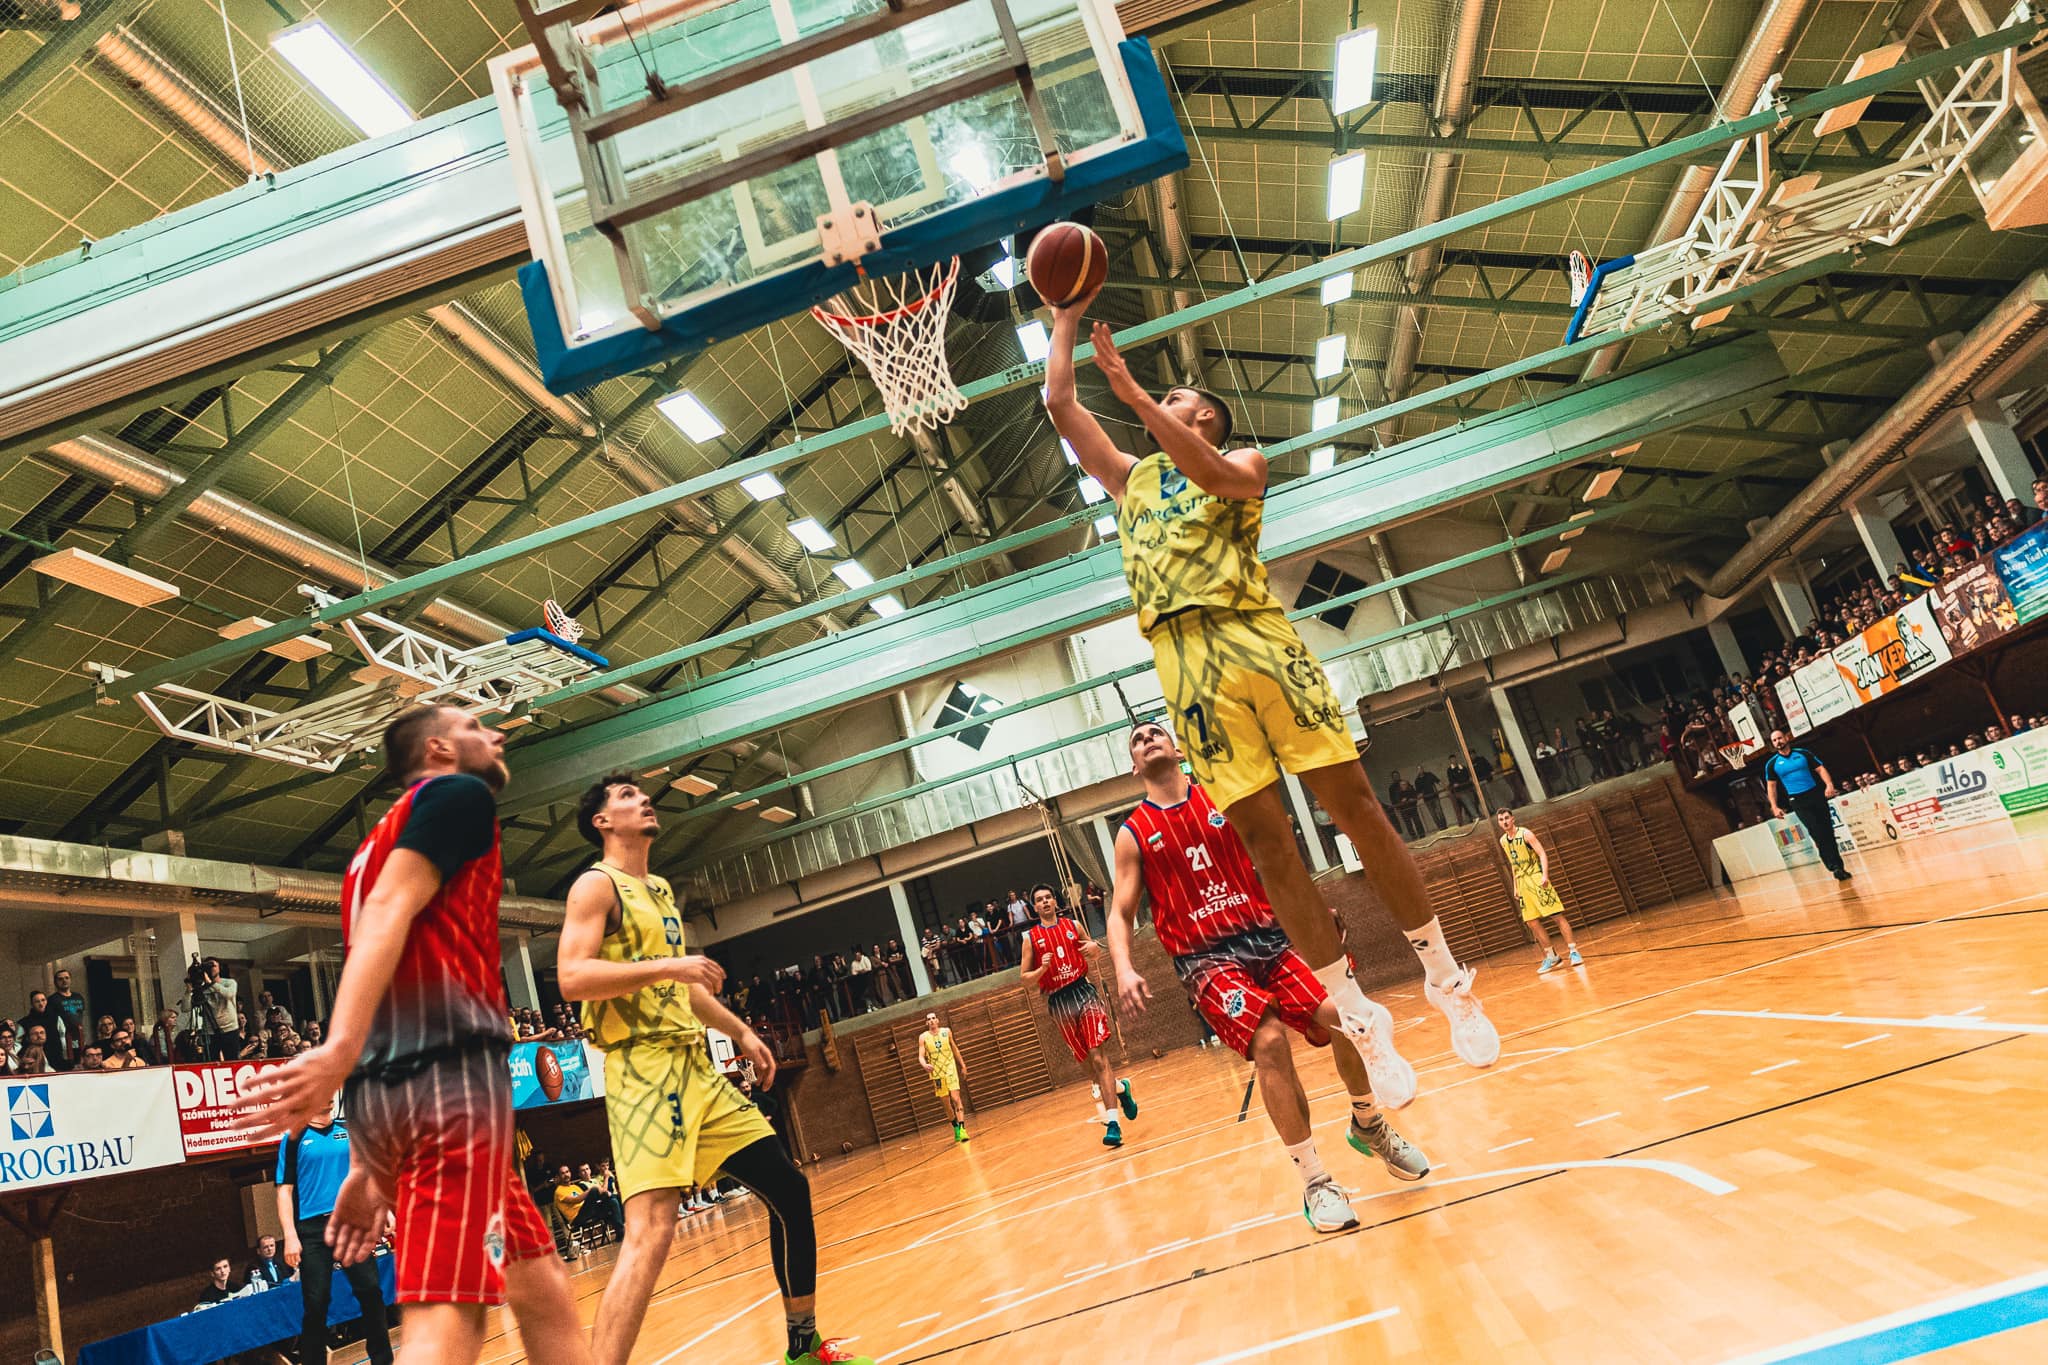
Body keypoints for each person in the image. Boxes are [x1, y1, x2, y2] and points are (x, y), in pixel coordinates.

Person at [1045, 293, 1499, 1078]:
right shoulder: (1131, 481)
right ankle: (1355, 1011)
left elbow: (1210, 470)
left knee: (1356, 809)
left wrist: (1137, 397)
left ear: (1206, 417)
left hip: (1257, 639)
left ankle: (1444, 975)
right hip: (1186, 664)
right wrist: (1062, 314)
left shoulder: (1244, 464)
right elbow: (1059, 403)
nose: (1166, 403)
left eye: (1179, 398)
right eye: (1164, 399)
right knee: (1269, 847)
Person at [233, 705, 594, 1365]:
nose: (495, 733)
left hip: (399, 1092)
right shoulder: (458, 795)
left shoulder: (371, 849)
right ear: (438, 749)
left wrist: (369, 1164)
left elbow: (384, 952)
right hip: (447, 1083)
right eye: (475, 725)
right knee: (447, 1321)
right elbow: (390, 909)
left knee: (540, 1284)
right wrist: (339, 1048)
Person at [562, 773, 872, 1365]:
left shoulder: (657, 889)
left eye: (640, 792)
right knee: (651, 1231)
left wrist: (742, 1032)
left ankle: (802, 1346)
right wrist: (669, 967)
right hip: (643, 1070)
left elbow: (685, 987)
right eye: (625, 796)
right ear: (601, 822)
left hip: (695, 1068)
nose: (642, 798)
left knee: (789, 1188)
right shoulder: (595, 887)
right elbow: (573, 977)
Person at [1107, 721, 1430, 1231]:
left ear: (1179, 748)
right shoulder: (1133, 833)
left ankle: (1368, 1122)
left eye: (1154, 732)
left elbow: (1274, 860)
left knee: (1348, 1017)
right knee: (1271, 1042)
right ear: (1133, 766)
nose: (1146, 740)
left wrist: (1311, 911)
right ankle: (1316, 1181)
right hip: (1207, 958)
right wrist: (1124, 967)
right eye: (1136, 740)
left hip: (1269, 937)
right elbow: (1120, 911)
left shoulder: (1222, 797)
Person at [1019, 883, 1136, 1147]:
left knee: (1099, 1058)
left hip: (1083, 992)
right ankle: (1121, 1088)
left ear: (1055, 901)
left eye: (1048, 897)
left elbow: (1094, 951)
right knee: (1088, 1067)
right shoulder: (1030, 939)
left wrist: (1094, 948)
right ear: (1034, 907)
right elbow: (1025, 980)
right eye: (1039, 899)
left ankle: (1113, 1124)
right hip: (1058, 1001)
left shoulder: (1073, 926)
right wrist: (1041, 970)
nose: (1045, 902)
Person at [277, 1106, 394, 1365]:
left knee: (371, 1291)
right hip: (312, 1231)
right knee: (316, 1302)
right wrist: (290, 1235)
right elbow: (284, 1191)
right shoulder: (293, 1138)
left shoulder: (349, 1129)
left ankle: (383, 1360)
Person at [1496, 810, 1582, 973]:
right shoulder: (1503, 841)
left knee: (1556, 916)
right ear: (1499, 823)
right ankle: (1552, 956)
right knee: (1531, 922)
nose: (1504, 821)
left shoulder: (1526, 834)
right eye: (1501, 819)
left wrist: (1545, 875)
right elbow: (1513, 864)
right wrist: (1515, 886)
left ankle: (1574, 951)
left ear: (1512, 819)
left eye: (1507, 818)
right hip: (1523, 883)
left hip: (1536, 878)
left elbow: (1542, 853)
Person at [1763, 730, 1850, 882]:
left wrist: (1829, 785)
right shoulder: (1772, 764)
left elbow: (1820, 768)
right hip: (1797, 800)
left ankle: (1839, 867)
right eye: (1774, 740)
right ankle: (1834, 867)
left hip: (1815, 794)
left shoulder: (1803, 753)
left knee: (1827, 831)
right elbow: (1771, 786)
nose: (1778, 742)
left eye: (1779, 738)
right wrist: (1774, 807)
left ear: (1786, 738)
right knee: (1817, 832)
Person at [917, 1010, 969, 1142]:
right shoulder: (923, 1037)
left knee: (955, 1098)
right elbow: (920, 1056)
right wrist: (924, 1065)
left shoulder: (946, 1032)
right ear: (926, 1023)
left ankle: (962, 1129)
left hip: (950, 1069)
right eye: (929, 1019)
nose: (931, 1021)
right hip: (937, 1074)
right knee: (946, 1104)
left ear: (937, 1020)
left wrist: (962, 1065)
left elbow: (955, 1048)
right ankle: (955, 1127)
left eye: (933, 1018)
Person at [49, 968, 86, 1068]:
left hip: (79, 1035)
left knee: (82, 1062)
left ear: (70, 979)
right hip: (64, 1038)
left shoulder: (78, 996)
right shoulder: (52, 1000)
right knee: (69, 1064)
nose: (64, 981)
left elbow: (81, 1015)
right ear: (55, 982)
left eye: (66, 978)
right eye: (60, 979)